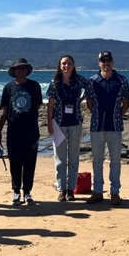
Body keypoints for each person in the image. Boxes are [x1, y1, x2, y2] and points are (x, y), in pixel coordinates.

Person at [85, 51, 129, 205]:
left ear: (113, 62)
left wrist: (118, 115)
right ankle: (98, 191)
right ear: (99, 63)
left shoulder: (122, 80)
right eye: (103, 61)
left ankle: (115, 192)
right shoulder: (91, 81)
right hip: (96, 126)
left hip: (115, 126)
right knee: (97, 161)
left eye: (109, 60)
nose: (106, 63)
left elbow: (126, 103)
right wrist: (99, 115)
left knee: (115, 161)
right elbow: (90, 104)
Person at [0, 58, 43, 206]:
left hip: (31, 132)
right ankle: (16, 192)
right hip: (13, 133)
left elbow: (37, 106)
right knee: (15, 164)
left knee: (30, 164)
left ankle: (27, 192)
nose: (20, 71)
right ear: (14, 72)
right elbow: (4, 112)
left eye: (23, 68)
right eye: (18, 69)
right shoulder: (8, 88)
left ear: (27, 71)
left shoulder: (34, 86)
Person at [47, 55, 86, 201]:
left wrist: (80, 100)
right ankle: (61, 188)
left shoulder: (78, 80)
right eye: (64, 64)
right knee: (60, 158)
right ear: (59, 65)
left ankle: (71, 189)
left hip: (75, 123)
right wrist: (50, 123)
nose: (66, 66)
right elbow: (50, 105)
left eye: (69, 63)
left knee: (74, 157)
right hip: (59, 124)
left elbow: (91, 86)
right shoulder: (54, 83)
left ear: (73, 65)